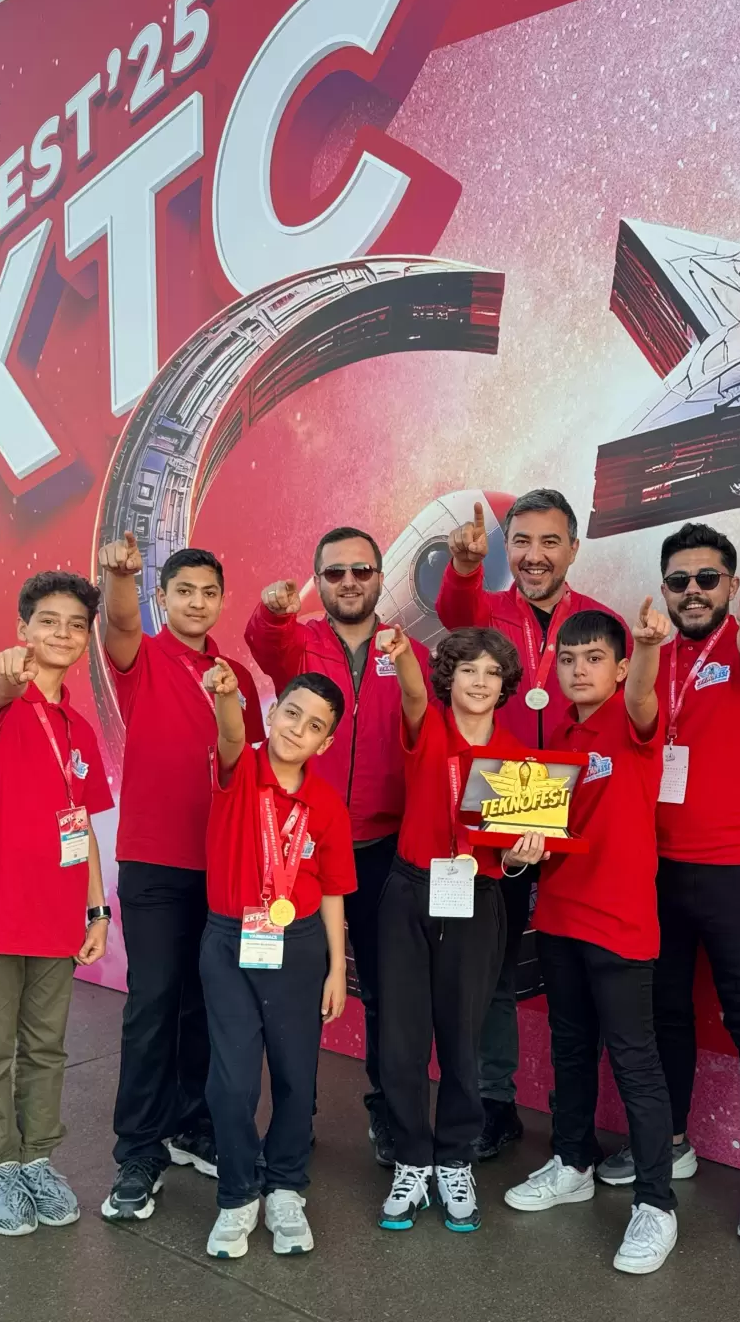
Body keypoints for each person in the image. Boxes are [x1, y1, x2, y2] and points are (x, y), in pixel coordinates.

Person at [596, 522, 740, 1244]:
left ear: (731, 586)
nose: (692, 591)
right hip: (657, 871)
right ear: (663, 588)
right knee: (666, 1016)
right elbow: (638, 718)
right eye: (679, 580)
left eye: (707, 579)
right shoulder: (651, 655)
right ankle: (672, 1141)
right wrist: (646, 652)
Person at [435, 489, 631, 1157]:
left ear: (573, 548)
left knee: (585, 971)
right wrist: (466, 569)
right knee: (493, 969)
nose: (534, 555)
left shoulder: (602, 622)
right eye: (521, 541)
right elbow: (454, 613)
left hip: (584, 814)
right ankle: (496, 1101)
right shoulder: (486, 611)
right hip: (506, 802)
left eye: (550, 541)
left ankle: (577, 1119)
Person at [504, 605, 679, 1274]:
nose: (580, 670)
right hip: (558, 921)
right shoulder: (559, 739)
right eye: (570, 660)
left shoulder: (634, 723)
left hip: (620, 925)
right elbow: (540, 841)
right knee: (571, 1051)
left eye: (595, 659)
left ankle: (656, 1204)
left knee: (635, 1062)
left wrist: (651, 644)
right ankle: (573, 1161)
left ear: (621, 667)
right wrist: (518, 852)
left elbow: (645, 697)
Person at [246, 527, 429, 1167]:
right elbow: (264, 640)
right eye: (334, 573)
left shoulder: (406, 649)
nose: (348, 582)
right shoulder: (298, 643)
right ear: (318, 581)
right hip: (300, 844)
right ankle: (296, 1115)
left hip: (381, 845)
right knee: (296, 986)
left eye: (361, 570)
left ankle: (388, 1111)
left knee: (386, 989)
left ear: (379, 576)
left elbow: (423, 720)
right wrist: (272, 611)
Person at [0, 572, 114, 1236]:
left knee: (46, 1047)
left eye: (75, 624)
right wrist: (11, 675)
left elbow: (83, 825)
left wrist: (98, 912)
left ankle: (37, 1157)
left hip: (57, 917)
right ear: (23, 629)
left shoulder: (81, 730)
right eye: (48, 621)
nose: (62, 634)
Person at [97, 535, 263, 1224]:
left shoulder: (236, 675)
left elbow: (247, 767)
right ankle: (138, 1149)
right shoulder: (142, 656)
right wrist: (120, 576)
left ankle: (194, 1125)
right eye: (184, 591)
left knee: (207, 1002)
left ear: (222, 600)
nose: (197, 602)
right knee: (154, 1004)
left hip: (223, 865)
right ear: (162, 597)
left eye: (208, 592)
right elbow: (118, 621)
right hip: (155, 863)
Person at [376, 625, 539, 1234]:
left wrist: (522, 855)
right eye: (467, 669)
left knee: (464, 1037)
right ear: (449, 677)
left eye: (492, 672)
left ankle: (455, 1160)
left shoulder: (519, 757)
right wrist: (403, 657)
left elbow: (514, 851)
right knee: (402, 1037)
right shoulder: (429, 726)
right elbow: (413, 693)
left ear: (505, 685)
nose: (479, 681)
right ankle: (411, 1159)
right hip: (410, 892)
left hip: (477, 895)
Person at [199, 664, 355, 1259]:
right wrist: (227, 697)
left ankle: (286, 1186)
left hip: (301, 945)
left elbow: (334, 889)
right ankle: (238, 1194)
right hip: (230, 943)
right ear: (271, 712)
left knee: (296, 1075)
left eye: (314, 725)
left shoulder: (326, 804)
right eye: (291, 713)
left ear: (326, 742)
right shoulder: (238, 771)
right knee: (232, 1081)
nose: (297, 729)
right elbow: (230, 734)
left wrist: (337, 968)